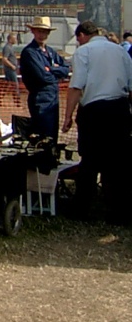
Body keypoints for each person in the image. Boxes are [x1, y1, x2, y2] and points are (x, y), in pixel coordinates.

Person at [62, 20, 132, 225]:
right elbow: (130, 85)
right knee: (119, 164)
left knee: (90, 162)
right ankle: (119, 212)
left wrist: (68, 117)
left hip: (94, 110)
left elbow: (76, 86)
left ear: (82, 35)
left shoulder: (83, 52)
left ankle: (83, 208)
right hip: (119, 109)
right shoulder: (120, 51)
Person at [18, 16, 69, 141]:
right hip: (40, 98)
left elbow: (66, 68)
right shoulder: (30, 52)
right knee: (42, 135)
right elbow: (42, 76)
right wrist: (55, 71)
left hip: (53, 99)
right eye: (39, 31)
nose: (42, 35)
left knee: (52, 135)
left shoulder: (50, 51)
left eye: (45, 32)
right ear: (33, 31)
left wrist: (50, 69)